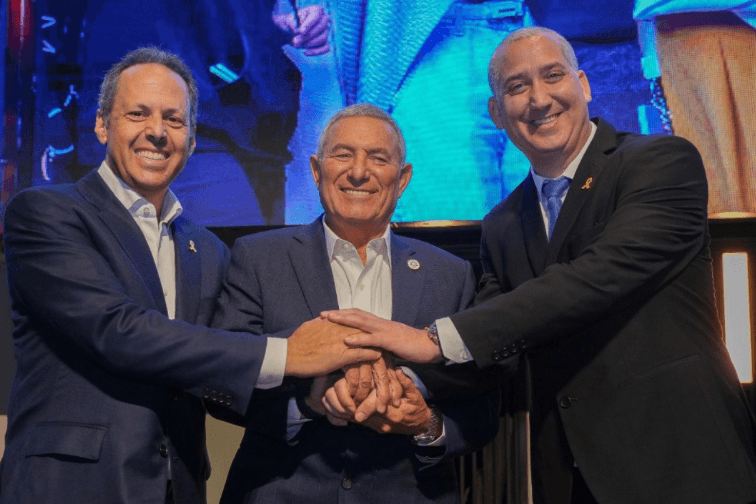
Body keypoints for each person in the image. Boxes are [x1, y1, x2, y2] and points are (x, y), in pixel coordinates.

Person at [325, 27, 756, 504]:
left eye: (553, 76)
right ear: (496, 113)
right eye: (516, 87)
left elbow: (598, 277)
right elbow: (498, 349)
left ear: (584, 85)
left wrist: (428, 340)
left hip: (682, 462)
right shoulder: (503, 223)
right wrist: (400, 381)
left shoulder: (660, 161)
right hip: (572, 479)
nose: (539, 99)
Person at [0, 47, 379, 504]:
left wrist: (312, 400)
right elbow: (117, 331)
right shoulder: (45, 213)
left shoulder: (209, 251)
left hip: (178, 487)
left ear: (193, 139)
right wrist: (289, 353)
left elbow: (215, 370)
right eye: (137, 114)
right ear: (102, 124)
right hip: (69, 487)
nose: (156, 132)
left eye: (174, 120)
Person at [212, 103, 500, 504]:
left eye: (378, 158)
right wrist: (306, 403)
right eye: (343, 154)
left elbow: (482, 406)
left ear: (402, 179)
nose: (359, 171)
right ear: (316, 170)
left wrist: (425, 423)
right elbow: (221, 384)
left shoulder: (450, 274)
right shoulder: (258, 258)